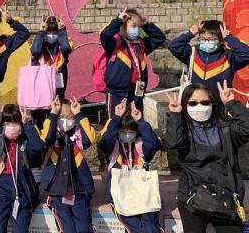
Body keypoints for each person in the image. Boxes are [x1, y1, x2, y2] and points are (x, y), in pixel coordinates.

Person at [166, 82, 249, 232]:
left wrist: (231, 103)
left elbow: (247, 128)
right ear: (186, 105)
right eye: (193, 103)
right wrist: (176, 115)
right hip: (192, 195)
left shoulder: (225, 127)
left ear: (212, 103)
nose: (200, 107)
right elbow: (173, 142)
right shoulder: (183, 129)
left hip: (226, 195)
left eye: (205, 102)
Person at [100, 99, 162, 232]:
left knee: (151, 228)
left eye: (131, 131)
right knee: (133, 225)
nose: (127, 134)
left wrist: (140, 121)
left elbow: (154, 144)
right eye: (123, 131)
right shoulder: (113, 147)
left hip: (143, 194)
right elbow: (106, 140)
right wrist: (116, 117)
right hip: (120, 194)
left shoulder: (141, 146)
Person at [41, 98, 101, 233]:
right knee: (67, 229)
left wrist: (79, 114)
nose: (65, 120)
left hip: (79, 189)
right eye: (61, 117)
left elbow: (91, 138)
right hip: (57, 190)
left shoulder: (78, 133)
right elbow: (47, 138)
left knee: (84, 228)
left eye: (69, 117)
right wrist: (53, 113)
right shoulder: (52, 133)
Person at [0, 104, 43, 233]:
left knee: (21, 230)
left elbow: (38, 148)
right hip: (1, 187)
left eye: (15, 123)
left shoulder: (24, 141)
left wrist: (27, 124)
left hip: (22, 187)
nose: (12, 127)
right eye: (8, 123)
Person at [100, 8, 165, 117]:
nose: (137, 30)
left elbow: (159, 37)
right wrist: (118, 20)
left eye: (139, 27)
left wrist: (145, 24)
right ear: (121, 27)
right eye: (134, 26)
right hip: (118, 94)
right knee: (115, 122)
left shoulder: (140, 44)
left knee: (136, 122)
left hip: (137, 92)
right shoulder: (115, 44)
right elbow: (105, 35)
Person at [168, 20, 249, 102]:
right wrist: (190, 34)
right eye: (202, 38)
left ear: (221, 40)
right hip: (195, 104)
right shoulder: (192, 53)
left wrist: (229, 38)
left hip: (220, 105)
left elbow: (247, 53)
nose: (206, 42)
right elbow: (173, 46)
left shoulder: (229, 56)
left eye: (211, 39)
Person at [30, 15, 72, 128]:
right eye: (49, 32)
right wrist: (41, 32)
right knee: (39, 122)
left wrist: (62, 31)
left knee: (55, 120)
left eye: (54, 32)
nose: (51, 35)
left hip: (57, 91)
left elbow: (66, 47)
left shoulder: (61, 49)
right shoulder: (39, 46)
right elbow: (35, 51)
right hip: (40, 92)